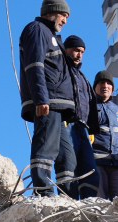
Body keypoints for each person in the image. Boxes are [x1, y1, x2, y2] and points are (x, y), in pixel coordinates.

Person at [18, 0, 77, 197]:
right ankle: (43, 193)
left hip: (58, 105)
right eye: (64, 15)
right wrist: (41, 99)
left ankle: (67, 196)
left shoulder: (51, 35)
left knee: (67, 157)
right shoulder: (37, 30)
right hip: (48, 101)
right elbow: (34, 65)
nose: (65, 21)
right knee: (45, 148)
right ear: (52, 12)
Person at [61, 36, 102, 199]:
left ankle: (88, 204)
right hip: (67, 124)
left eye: (82, 52)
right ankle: (68, 202)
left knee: (90, 171)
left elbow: (90, 105)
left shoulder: (82, 78)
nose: (79, 55)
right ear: (66, 50)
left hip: (83, 128)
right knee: (68, 166)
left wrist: (91, 129)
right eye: (76, 50)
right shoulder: (61, 71)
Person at [91, 73, 118, 198]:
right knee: (99, 204)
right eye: (101, 83)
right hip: (97, 161)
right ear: (95, 87)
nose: (105, 86)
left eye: (108, 83)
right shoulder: (88, 107)